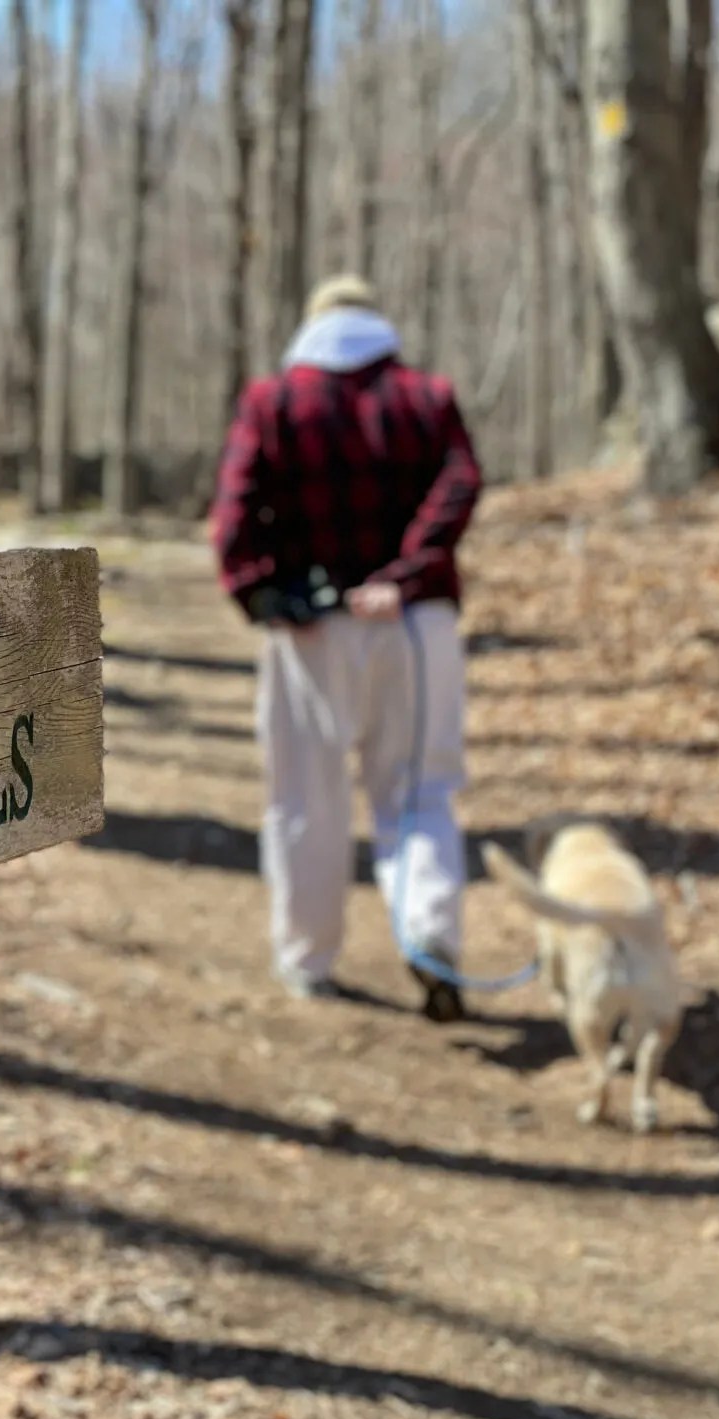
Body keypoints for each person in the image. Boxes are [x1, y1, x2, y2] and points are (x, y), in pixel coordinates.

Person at [210, 274, 484, 1021]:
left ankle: (308, 959)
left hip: (314, 629)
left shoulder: (274, 403)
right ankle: (429, 931)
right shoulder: (426, 398)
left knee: (306, 797)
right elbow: (462, 483)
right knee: (420, 789)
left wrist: (264, 593)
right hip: (418, 626)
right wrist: (405, 574)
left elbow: (233, 519)